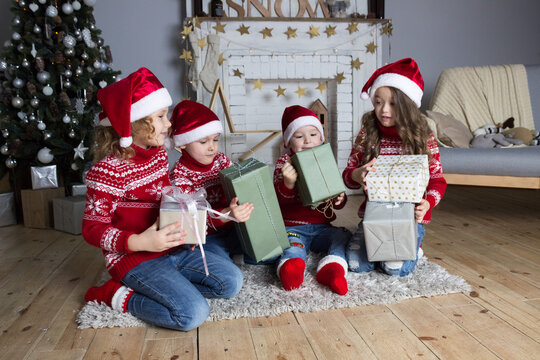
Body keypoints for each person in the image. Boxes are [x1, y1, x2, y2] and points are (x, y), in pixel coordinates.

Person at [82, 68, 242, 331]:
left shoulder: (158, 155)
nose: (168, 123)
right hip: (133, 258)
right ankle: (115, 295)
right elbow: (92, 229)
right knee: (192, 314)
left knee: (231, 282)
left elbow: (169, 201)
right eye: (160, 116)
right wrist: (139, 241)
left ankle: (170, 285)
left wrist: (192, 229)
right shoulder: (107, 171)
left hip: (174, 248)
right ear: (133, 122)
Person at [342, 58, 447, 276]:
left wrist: (427, 204)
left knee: (393, 269)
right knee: (356, 265)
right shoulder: (367, 134)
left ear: (407, 103)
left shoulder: (423, 137)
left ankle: (414, 244)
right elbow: (347, 177)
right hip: (374, 217)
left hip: (408, 219)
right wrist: (357, 173)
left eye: (392, 103)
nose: (384, 110)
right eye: (379, 102)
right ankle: (371, 242)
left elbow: (437, 179)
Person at [274, 105, 351, 295]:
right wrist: (288, 184)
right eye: (299, 136)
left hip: (322, 227)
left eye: (313, 135)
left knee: (341, 237)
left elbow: (336, 202)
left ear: (321, 138)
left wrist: (339, 198)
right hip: (293, 228)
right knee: (292, 247)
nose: (307, 140)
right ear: (289, 142)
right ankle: (291, 269)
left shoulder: (324, 160)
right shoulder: (285, 164)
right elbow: (278, 202)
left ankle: (332, 267)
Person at [169, 100, 254, 261]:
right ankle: (226, 255)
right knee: (218, 259)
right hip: (209, 235)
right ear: (184, 143)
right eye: (203, 141)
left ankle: (240, 251)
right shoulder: (180, 175)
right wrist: (225, 214)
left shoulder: (221, 160)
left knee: (264, 247)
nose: (212, 147)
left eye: (215, 140)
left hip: (234, 226)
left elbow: (239, 181)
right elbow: (191, 219)